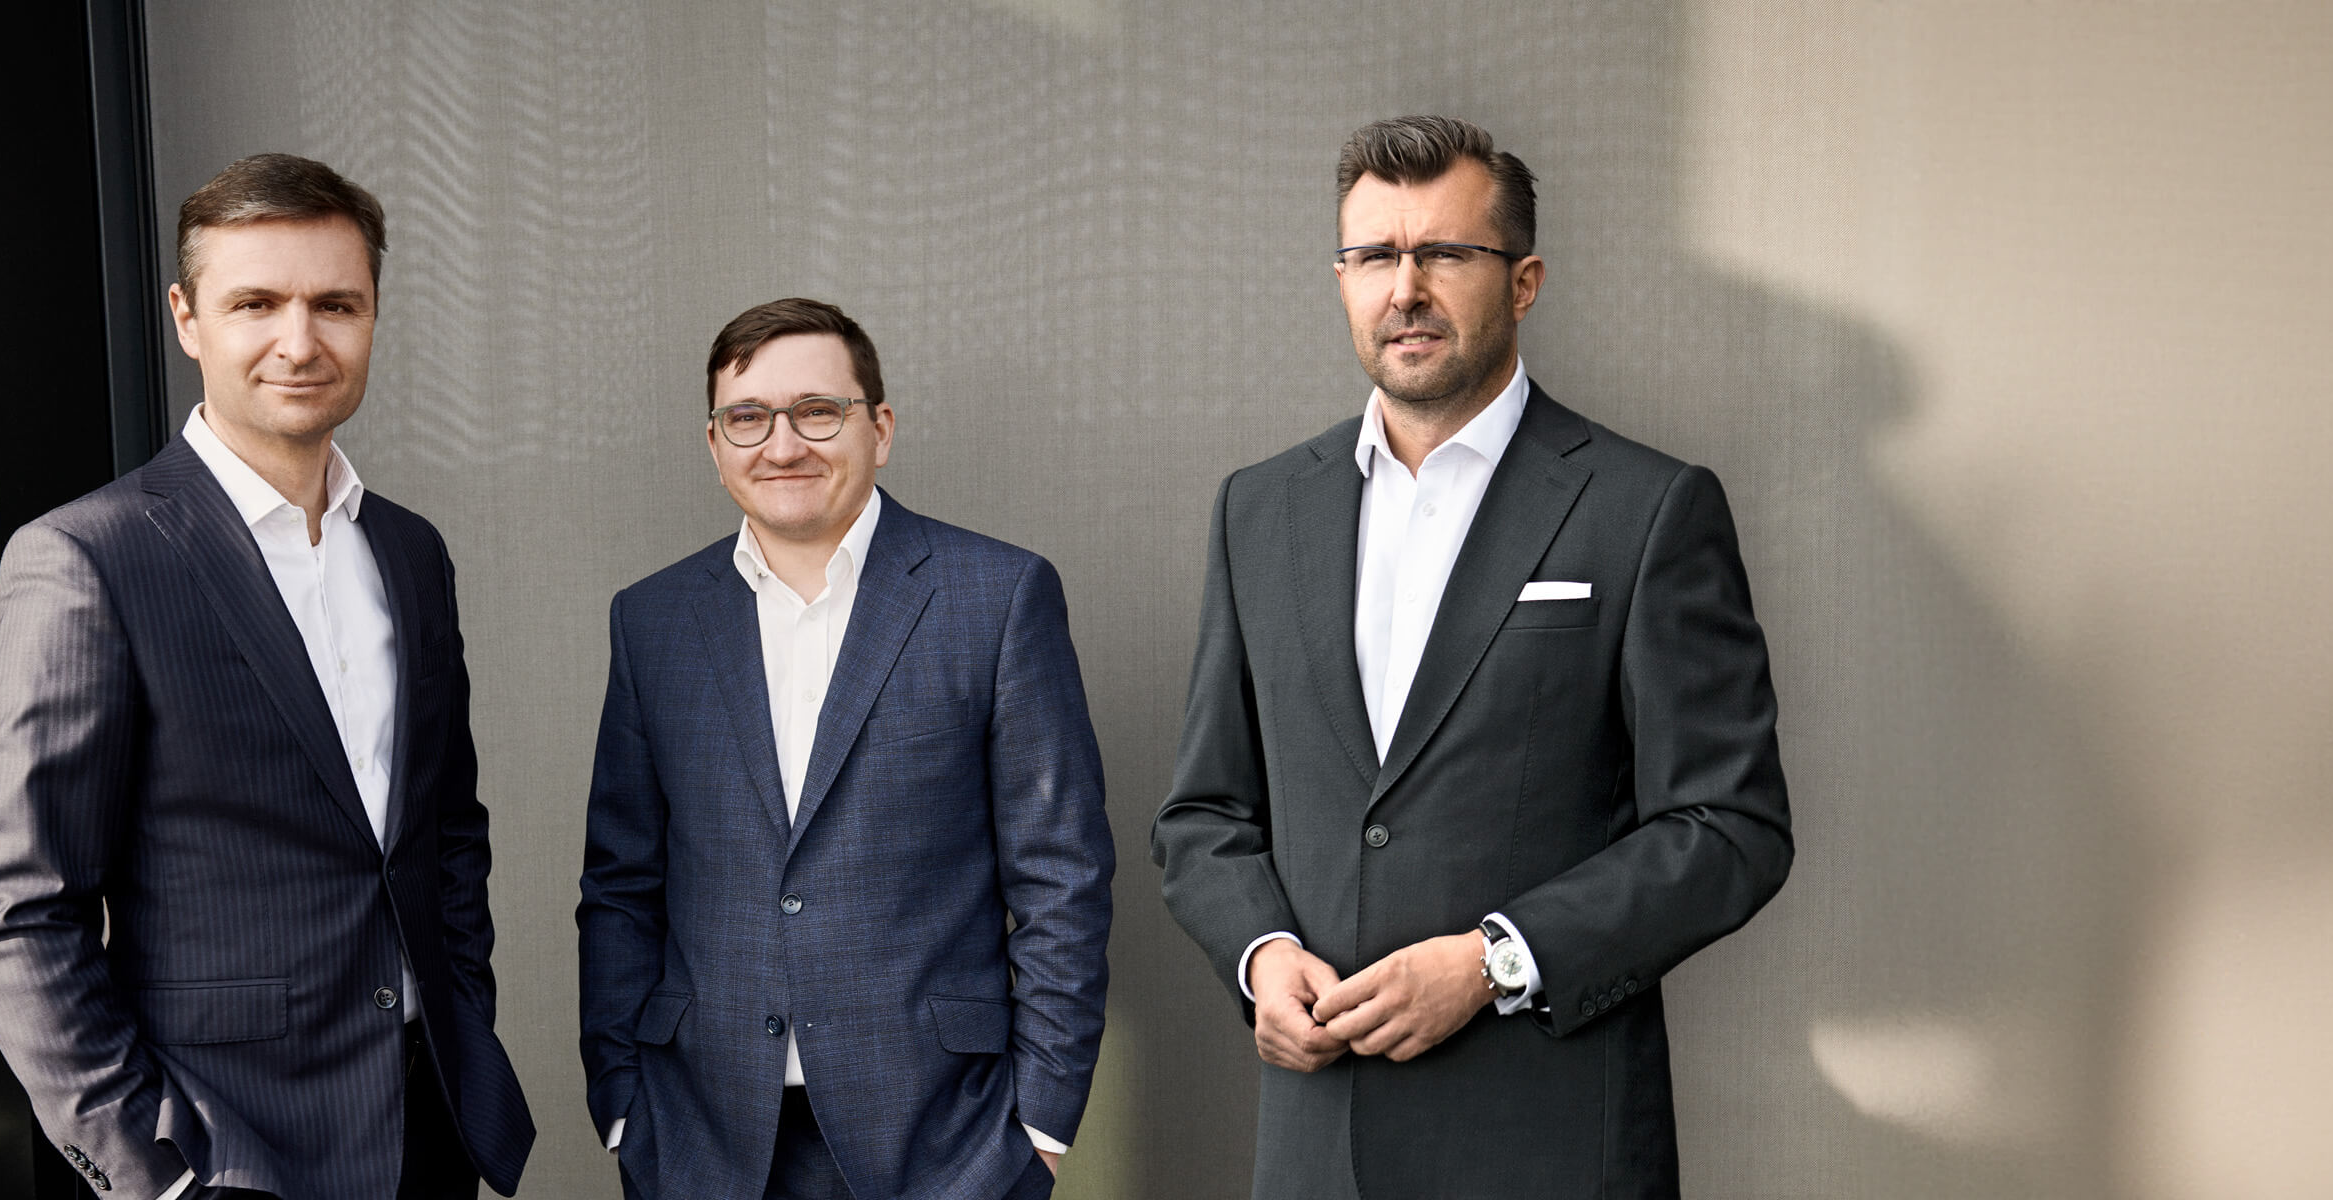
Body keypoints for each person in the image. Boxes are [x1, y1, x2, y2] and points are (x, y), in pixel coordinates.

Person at [1151, 115, 1795, 1199]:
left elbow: (1730, 827)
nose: (1404, 289)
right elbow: (1203, 813)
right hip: (1316, 1151)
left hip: (1548, 1146)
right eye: (1374, 256)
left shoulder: (1646, 508)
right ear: (1342, 279)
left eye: (1444, 253)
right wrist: (1260, 956)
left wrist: (1496, 960)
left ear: (1523, 281)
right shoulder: (1257, 511)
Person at [0, 152, 536, 1200]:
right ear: (187, 319)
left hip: (429, 1126)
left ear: (372, 316)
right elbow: (15, 909)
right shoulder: (89, 558)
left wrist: (462, 1017)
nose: (299, 342)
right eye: (255, 303)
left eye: (335, 305)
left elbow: (445, 831)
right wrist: (153, 1172)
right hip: (230, 1156)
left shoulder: (409, 552)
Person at [576, 298, 1116, 1200]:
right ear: (714, 444)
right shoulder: (653, 619)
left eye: (817, 412)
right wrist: (624, 1105)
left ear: (880, 429)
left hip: (946, 1139)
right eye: (747, 418)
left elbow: (1061, 878)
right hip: (700, 1137)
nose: (782, 445)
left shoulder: (997, 597)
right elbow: (620, 884)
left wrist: (1039, 1128)